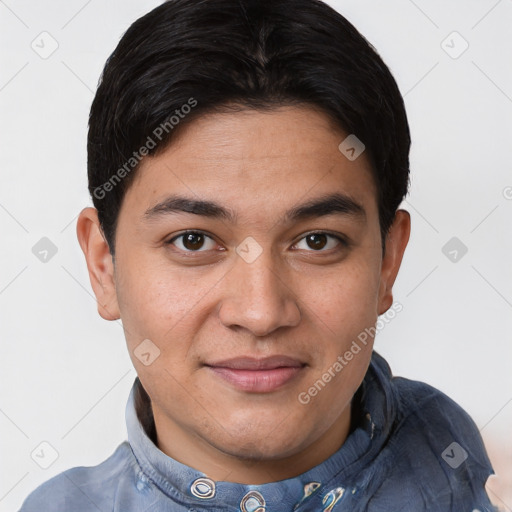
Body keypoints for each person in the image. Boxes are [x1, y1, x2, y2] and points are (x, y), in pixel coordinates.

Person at [19, 0, 496, 510]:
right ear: (103, 265)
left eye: (317, 240)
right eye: (194, 241)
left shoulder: (462, 465)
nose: (261, 313)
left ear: (387, 261)